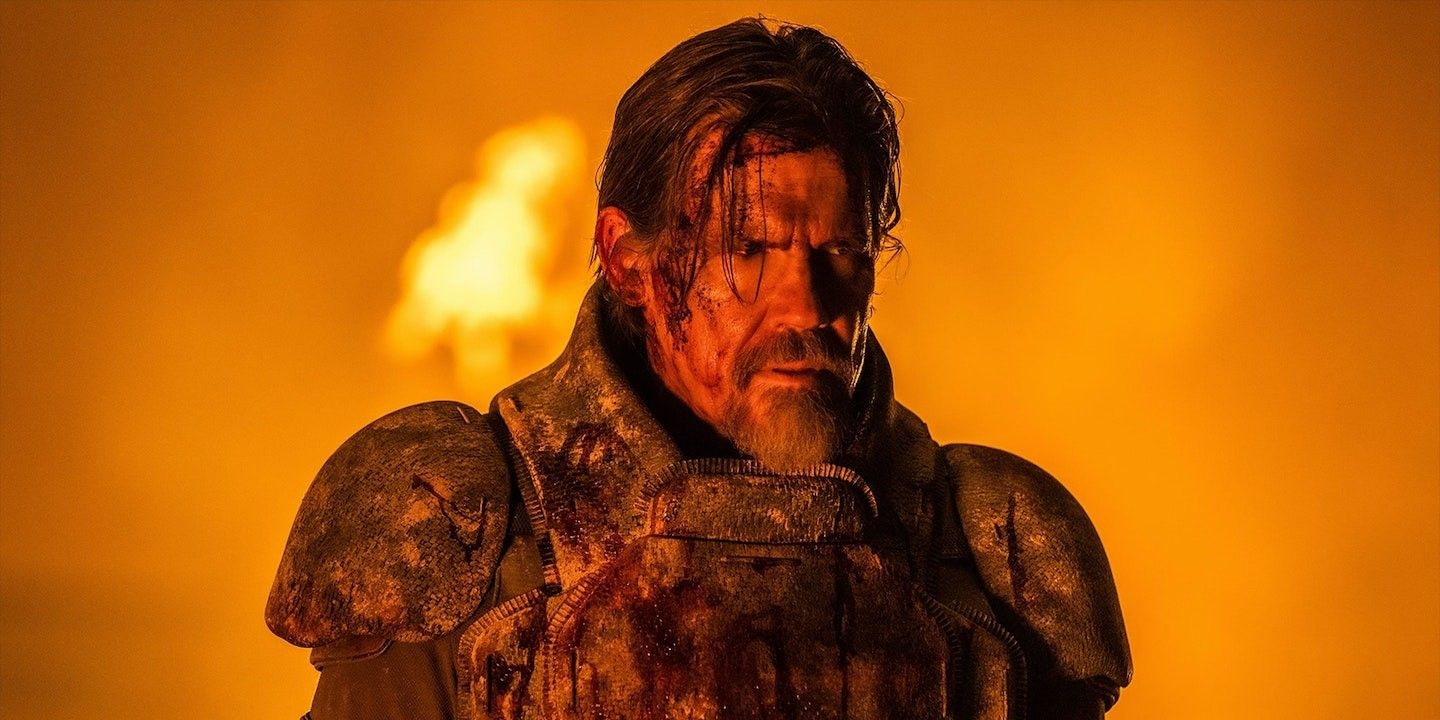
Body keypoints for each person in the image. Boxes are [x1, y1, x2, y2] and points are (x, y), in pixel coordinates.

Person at [267, 17, 1131, 720]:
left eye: (843, 251)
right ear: (627, 260)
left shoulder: (995, 551)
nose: (805, 305)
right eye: (748, 250)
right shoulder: (455, 532)